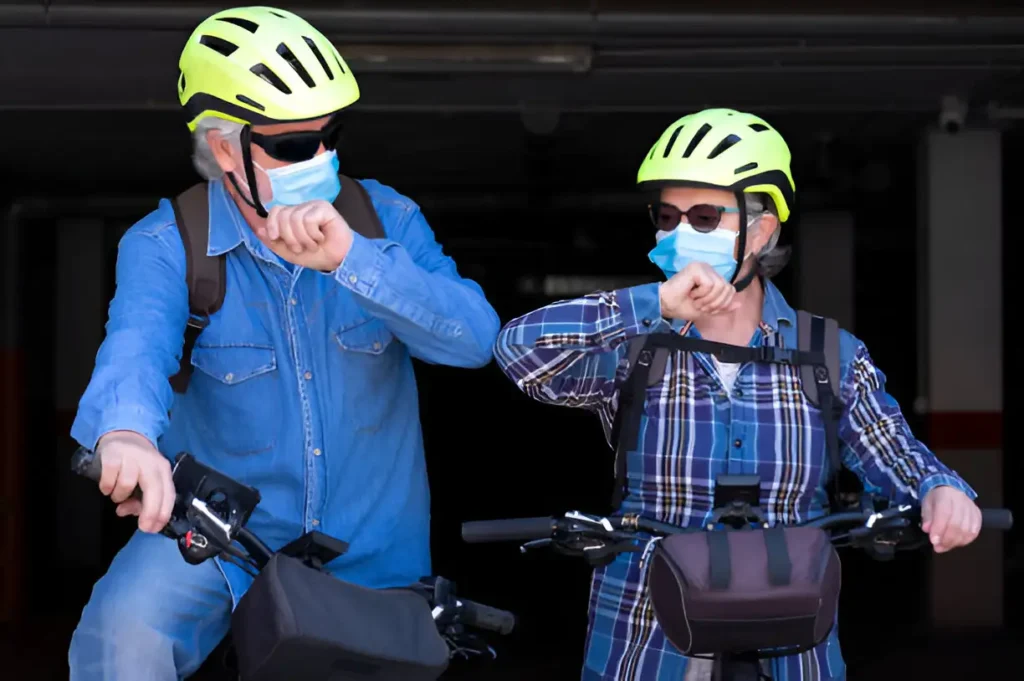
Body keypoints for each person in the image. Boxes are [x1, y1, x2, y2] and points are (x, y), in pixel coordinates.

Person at [68, 7, 499, 679]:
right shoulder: (163, 243)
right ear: (222, 149)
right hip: (218, 540)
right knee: (122, 637)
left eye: (332, 136)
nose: (322, 158)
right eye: (295, 146)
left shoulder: (389, 218)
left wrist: (352, 259)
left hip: (374, 553)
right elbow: (135, 351)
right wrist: (123, 435)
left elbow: (476, 338)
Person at [493, 108, 981, 681]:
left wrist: (940, 488)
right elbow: (518, 350)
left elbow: (890, 447)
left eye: (703, 215)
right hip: (646, 635)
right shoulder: (636, 346)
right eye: (667, 216)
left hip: (793, 632)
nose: (679, 232)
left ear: (765, 229)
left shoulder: (829, 351)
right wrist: (654, 306)